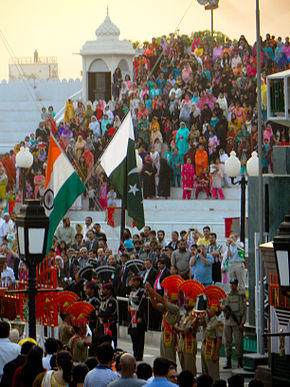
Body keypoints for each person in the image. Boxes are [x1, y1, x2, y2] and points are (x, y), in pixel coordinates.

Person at [146, 276, 182, 363]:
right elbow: (155, 304)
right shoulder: (166, 308)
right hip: (164, 335)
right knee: (163, 359)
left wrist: (152, 290)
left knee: (170, 359)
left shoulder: (175, 308)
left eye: (167, 297)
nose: (165, 298)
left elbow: (162, 301)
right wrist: (150, 293)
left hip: (170, 336)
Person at [176, 280, 205, 376]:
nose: (184, 304)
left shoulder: (194, 317)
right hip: (181, 342)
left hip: (189, 342)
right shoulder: (184, 316)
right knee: (183, 367)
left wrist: (176, 328)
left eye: (187, 302)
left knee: (190, 368)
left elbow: (186, 330)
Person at [199, 286, 226, 383]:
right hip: (205, 346)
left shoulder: (218, 322)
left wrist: (216, 353)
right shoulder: (207, 319)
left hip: (212, 347)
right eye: (207, 308)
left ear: (214, 310)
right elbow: (199, 324)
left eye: (209, 308)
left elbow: (219, 338)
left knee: (213, 373)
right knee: (204, 372)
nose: (207, 310)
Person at [220, 278, 246, 369]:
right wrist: (223, 308)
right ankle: (228, 361)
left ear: (236, 284)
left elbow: (244, 311)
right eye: (231, 284)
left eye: (234, 284)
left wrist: (242, 323)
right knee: (227, 342)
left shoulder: (240, 296)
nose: (232, 286)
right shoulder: (227, 296)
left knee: (239, 342)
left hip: (237, 322)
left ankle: (240, 361)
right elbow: (222, 307)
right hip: (228, 322)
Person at [128, 276, 147, 361]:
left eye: (135, 281)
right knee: (133, 335)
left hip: (138, 316)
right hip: (132, 315)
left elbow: (143, 305)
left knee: (139, 336)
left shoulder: (142, 292)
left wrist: (140, 316)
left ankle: (139, 355)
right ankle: (135, 353)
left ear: (139, 282)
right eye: (133, 281)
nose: (134, 283)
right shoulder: (133, 291)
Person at [98, 283, 118, 348]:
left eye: (104, 289)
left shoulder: (112, 301)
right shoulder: (104, 299)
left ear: (109, 290)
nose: (103, 291)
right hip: (104, 324)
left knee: (111, 341)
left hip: (110, 324)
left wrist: (99, 315)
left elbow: (107, 313)